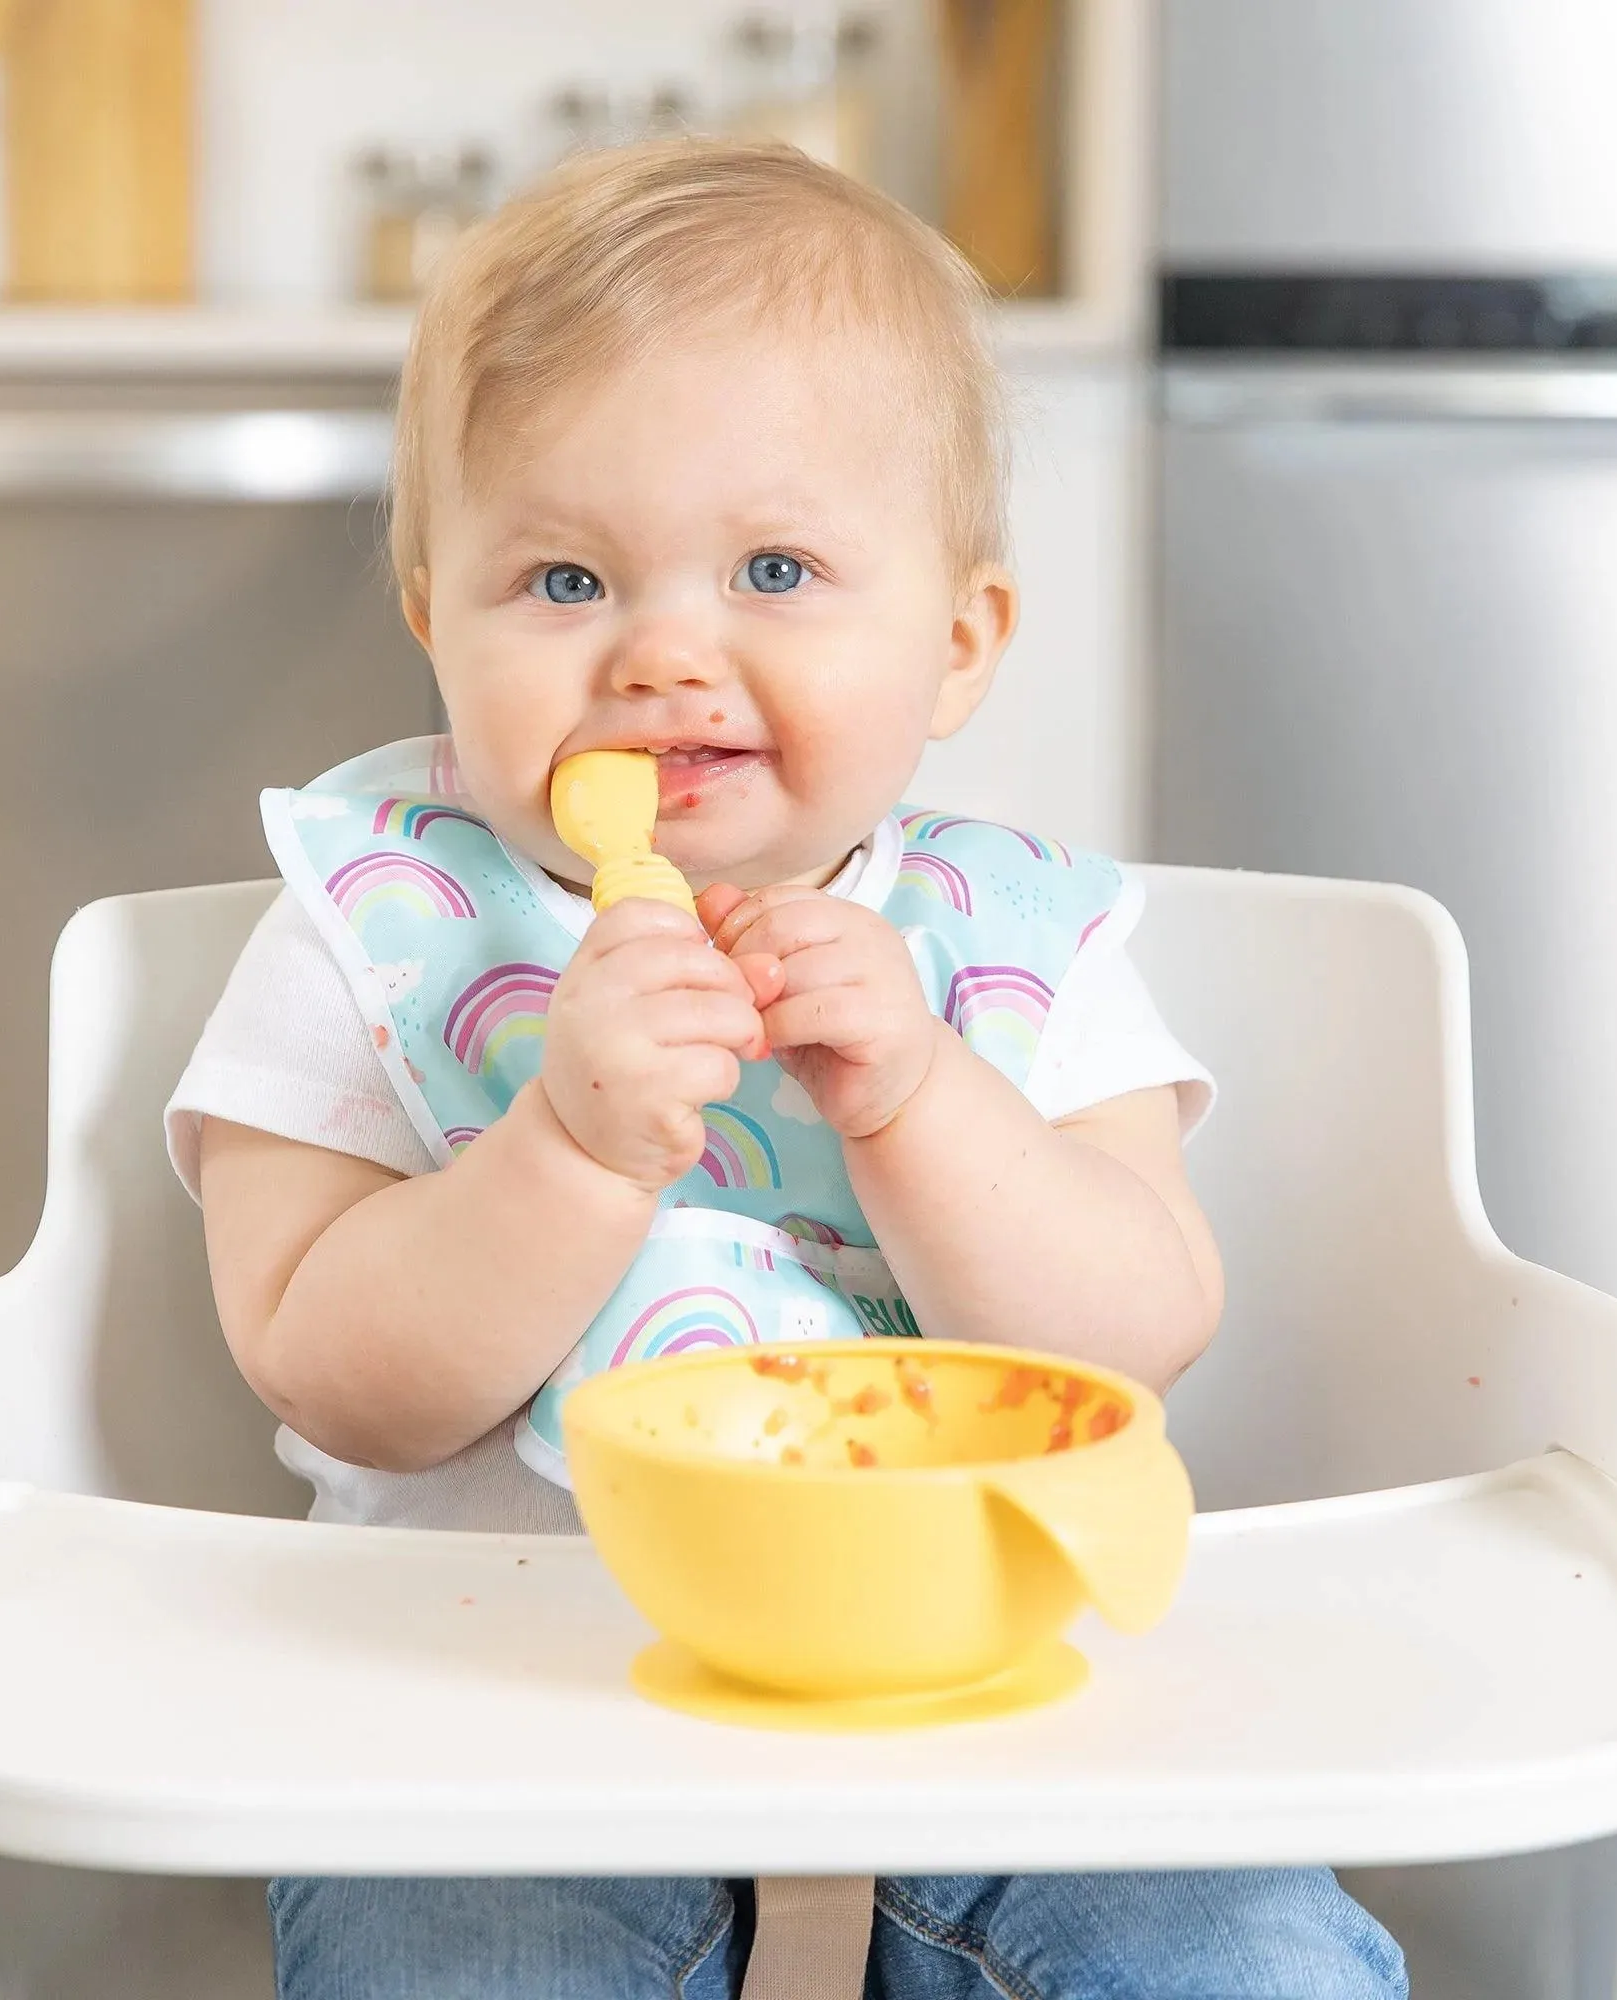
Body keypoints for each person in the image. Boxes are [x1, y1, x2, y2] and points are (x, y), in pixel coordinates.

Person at [166, 137, 1406, 2000]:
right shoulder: (377, 925)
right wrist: (570, 1150)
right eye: (566, 577)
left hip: (984, 1656)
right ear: (437, 615)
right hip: (492, 1674)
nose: (667, 652)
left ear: (962, 638)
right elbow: (334, 1375)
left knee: (1244, 1957)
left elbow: (1131, 1332)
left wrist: (916, 1095)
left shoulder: (1007, 944)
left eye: (775, 567)